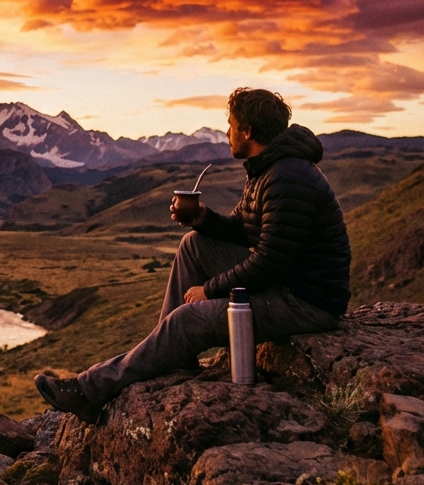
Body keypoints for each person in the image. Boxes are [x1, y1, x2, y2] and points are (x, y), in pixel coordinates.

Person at [34, 87, 351, 423]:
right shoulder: (268, 168)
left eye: (231, 124)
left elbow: (272, 261)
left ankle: (90, 390)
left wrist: (210, 290)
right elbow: (243, 231)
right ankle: (172, 357)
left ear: (248, 131)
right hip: (287, 285)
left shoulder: (287, 177)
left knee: (190, 317)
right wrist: (201, 219)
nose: (227, 132)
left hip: (306, 302)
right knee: (193, 243)